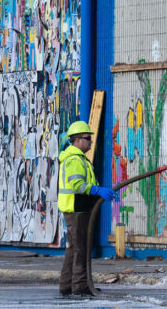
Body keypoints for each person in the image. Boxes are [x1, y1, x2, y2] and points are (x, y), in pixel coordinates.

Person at [57, 120, 117, 297]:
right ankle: (80, 285)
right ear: (76, 140)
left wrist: (97, 192)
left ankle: (66, 284)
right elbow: (77, 185)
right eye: (87, 138)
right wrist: (98, 190)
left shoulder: (76, 158)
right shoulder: (74, 160)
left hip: (76, 208)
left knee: (73, 248)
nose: (91, 141)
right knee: (81, 249)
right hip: (77, 209)